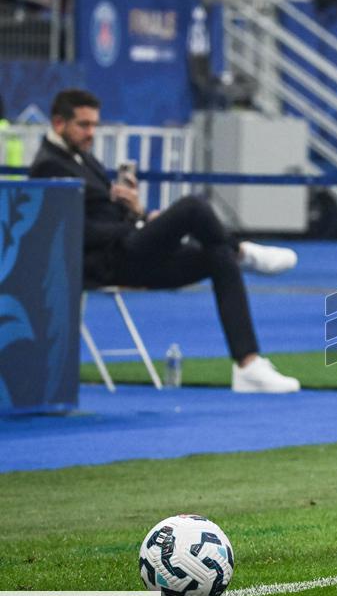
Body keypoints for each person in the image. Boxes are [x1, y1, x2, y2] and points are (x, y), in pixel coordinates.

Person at [29, 89, 301, 394]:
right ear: (58, 123)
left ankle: (248, 365)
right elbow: (73, 231)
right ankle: (243, 252)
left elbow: (103, 212)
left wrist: (137, 210)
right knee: (193, 207)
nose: (91, 133)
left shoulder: (82, 156)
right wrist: (137, 226)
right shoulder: (49, 166)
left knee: (217, 256)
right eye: (83, 125)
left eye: (94, 125)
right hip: (108, 261)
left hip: (129, 249)